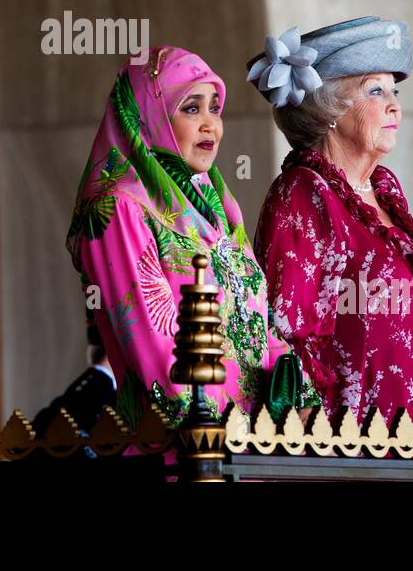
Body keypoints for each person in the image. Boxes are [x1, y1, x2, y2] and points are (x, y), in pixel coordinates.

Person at [250, 18, 413, 430]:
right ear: (330, 107)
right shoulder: (302, 192)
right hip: (350, 436)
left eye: (394, 91)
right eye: (375, 91)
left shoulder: (383, 189)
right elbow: (287, 330)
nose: (395, 106)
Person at [65, 45, 279, 428]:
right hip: (184, 451)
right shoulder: (119, 210)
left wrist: (293, 388)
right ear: (148, 116)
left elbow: (257, 327)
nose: (211, 124)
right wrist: (212, 437)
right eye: (192, 108)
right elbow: (152, 350)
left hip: (254, 448)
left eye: (215, 107)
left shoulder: (218, 210)